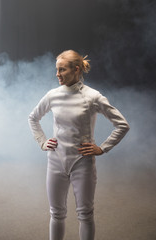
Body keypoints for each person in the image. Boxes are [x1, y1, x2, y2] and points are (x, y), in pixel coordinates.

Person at [28, 50, 130, 240]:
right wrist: (42, 141)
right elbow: (33, 118)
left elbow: (122, 125)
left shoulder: (93, 96)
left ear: (76, 70)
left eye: (62, 69)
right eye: (56, 69)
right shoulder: (53, 95)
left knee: (85, 214)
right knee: (56, 213)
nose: (57, 74)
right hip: (56, 161)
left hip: (82, 163)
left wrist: (103, 148)